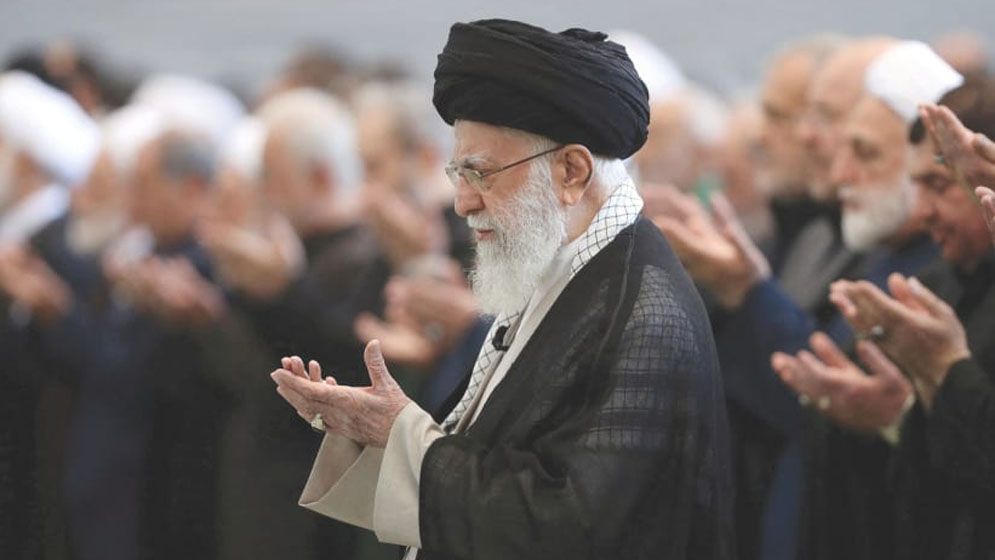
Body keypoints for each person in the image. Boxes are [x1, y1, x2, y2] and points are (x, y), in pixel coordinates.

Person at [270, 19, 733, 560]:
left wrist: (401, 433)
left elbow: (571, 528)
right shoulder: (566, 268)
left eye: (482, 174)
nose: (462, 202)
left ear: (571, 171)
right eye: (458, 174)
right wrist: (379, 434)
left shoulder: (643, 313)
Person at [778, 77, 995, 559]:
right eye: (917, 187)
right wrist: (895, 417)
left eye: (939, 185)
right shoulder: (940, 285)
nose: (923, 211)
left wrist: (945, 368)